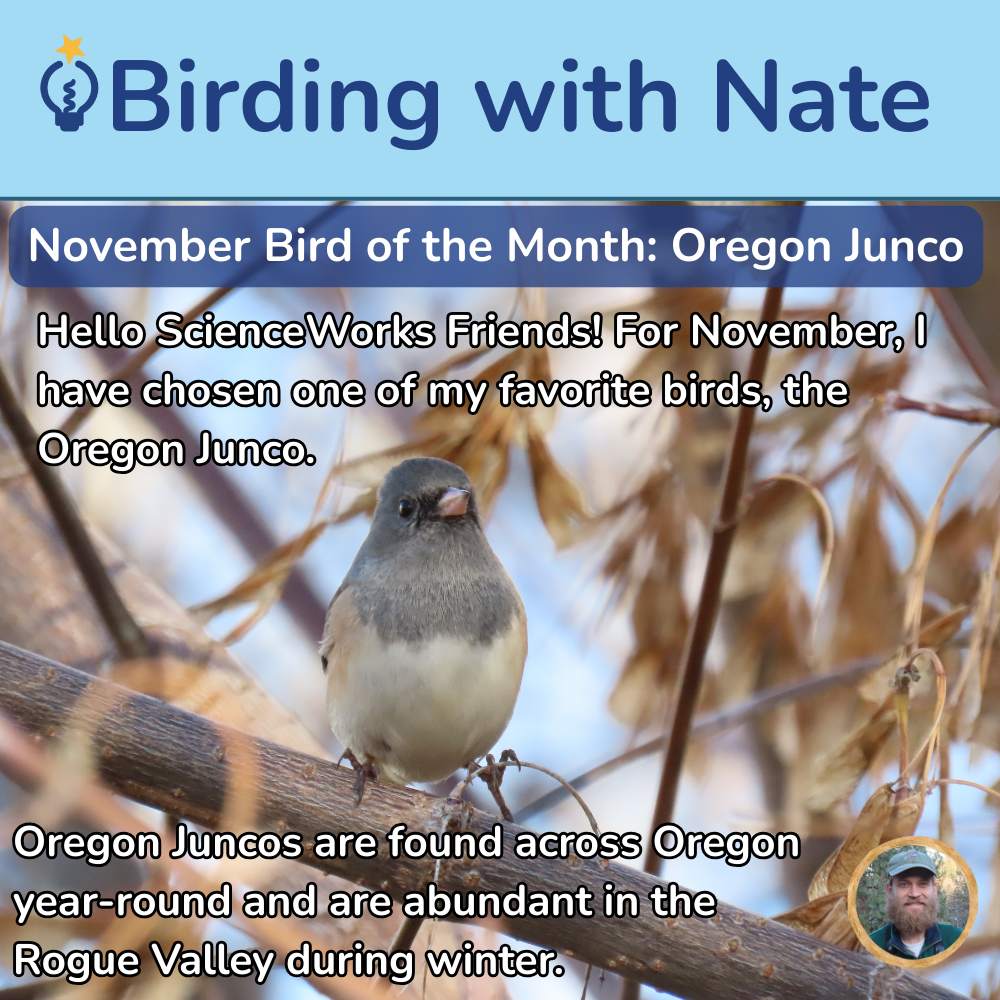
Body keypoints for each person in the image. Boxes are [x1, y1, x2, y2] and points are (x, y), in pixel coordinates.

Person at [868, 848, 963, 960]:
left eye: (922, 884)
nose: (914, 894)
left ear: (934, 890)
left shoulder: (958, 941)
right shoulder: (870, 947)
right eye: (904, 884)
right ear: (890, 891)